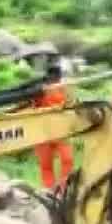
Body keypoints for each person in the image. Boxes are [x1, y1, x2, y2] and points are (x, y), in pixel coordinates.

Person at [32, 61, 73, 190]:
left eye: (58, 75)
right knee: (46, 164)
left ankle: (64, 187)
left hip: (61, 129)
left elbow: (70, 104)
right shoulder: (40, 89)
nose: (56, 77)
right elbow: (32, 107)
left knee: (67, 159)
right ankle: (49, 190)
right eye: (54, 74)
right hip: (43, 131)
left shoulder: (64, 88)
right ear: (49, 76)